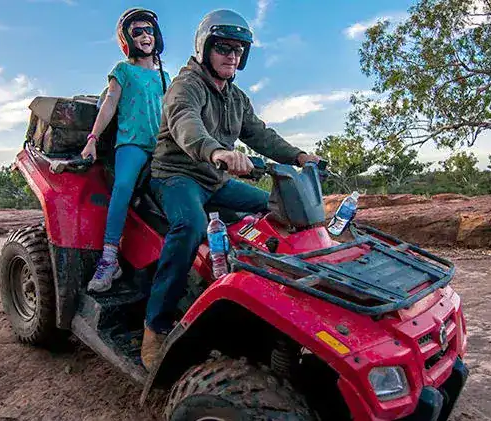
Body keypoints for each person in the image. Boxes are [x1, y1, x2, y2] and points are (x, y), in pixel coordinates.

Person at [140, 9, 321, 369]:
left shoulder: (235, 97)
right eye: (223, 48)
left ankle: (277, 292)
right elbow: (186, 124)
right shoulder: (185, 86)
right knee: (189, 225)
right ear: (204, 48)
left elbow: (260, 134)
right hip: (176, 175)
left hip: (215, 180)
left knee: (277, 208)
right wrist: (218, 152)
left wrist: (300, 156)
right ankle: (155, 325)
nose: (232, 56)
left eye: (238, 50)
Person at [80, 8, 171, 293]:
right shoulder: (123, 70)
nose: (145, 36)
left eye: (149, 31)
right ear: (128, 40)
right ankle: (109, 259)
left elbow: (174, 114)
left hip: (161, 145)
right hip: (132, 142)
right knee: (122, 188)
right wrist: (92, 138)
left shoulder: (165, 76)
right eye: (138, 32)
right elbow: (109, 104)